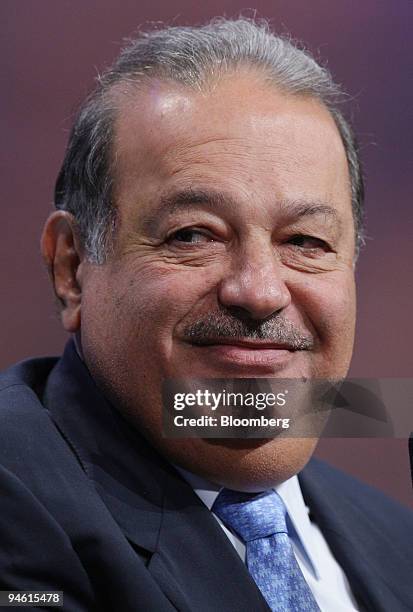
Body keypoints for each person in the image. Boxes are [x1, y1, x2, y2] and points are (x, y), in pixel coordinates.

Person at [0, 17, 411, 612]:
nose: (261, 290)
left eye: (305, 241)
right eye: (193, 234)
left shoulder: (398, 543)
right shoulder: (15, 501)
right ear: (72, 267)